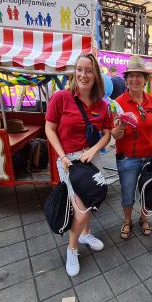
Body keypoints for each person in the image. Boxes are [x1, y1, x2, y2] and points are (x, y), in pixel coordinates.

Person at [45, 53, 112, 277]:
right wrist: (62, 156)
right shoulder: (61, 98)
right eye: (80, 69)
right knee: (81, 209)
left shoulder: (102, 105)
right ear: (75, 72)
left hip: (92, 159)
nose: (84, 75)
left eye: (89, 70)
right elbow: (49, 129)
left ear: (96, 75)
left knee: (91, 200)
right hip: (68, 161)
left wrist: (94, 150)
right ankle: (72, 249)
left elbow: (108, 134)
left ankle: (85, 234)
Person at [111, 56, 152, 239]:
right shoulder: (118, 103)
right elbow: (114, 135)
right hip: (128, 158)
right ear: (126, 79)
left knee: (149, 190)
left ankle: (144, 218)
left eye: (139, 76)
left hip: (149, 156)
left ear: (145, 79)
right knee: (127, 192)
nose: (135, 80)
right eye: (131, 76)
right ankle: (127, 220)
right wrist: (120, 127)